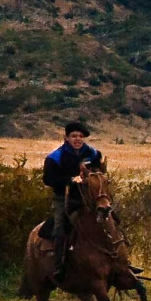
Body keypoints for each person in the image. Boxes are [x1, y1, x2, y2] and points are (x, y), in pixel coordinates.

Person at [42, 122, 106, 284]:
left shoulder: (93, 154)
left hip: (89, 198)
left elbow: (98, 171)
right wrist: (70, 180)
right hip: (65, 198)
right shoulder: (55, 157)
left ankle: (120, 262)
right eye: (74, 136)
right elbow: (49, 180)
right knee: (60, 229)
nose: (77, 139)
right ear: (67, 138)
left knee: (112, 220)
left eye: (80, 136)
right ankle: (59, 266)